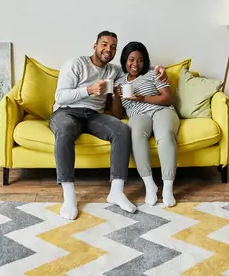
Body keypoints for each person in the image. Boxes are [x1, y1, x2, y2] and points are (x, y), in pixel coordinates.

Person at [50, 31, 167, 220]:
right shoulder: (76, 63)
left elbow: (136, 67)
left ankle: (116, 191)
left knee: (121, 129)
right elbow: (60, 96)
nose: (108, 49)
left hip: (94, 116)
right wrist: (89, 90)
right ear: (95, 45)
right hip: (67, 111)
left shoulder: (114, 71)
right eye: (104, 44)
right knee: (64, 131)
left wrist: (159, 69)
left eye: (113, 47)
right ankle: (69, 196)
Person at [111, 41, 179, 207]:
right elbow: (117, 114)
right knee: (135, 137)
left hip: (161, 110)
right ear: (125, 60)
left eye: (140, 60)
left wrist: (143, 98)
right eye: (131, 59)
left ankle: (168, 187)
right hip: (136, 115)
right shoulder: (118, 80)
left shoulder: (154, 72)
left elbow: (167, 98)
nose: (135, 64)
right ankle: (150, 185)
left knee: (165, 135)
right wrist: (115, 95)